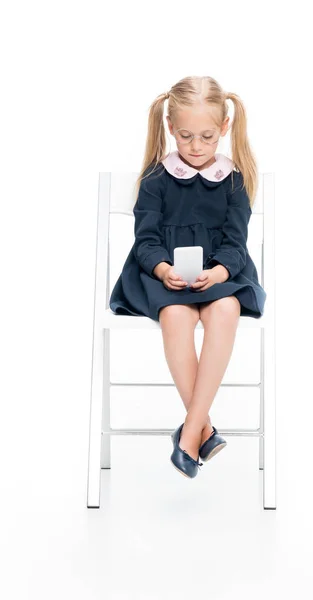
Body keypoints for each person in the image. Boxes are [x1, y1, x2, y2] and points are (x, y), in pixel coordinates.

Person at [109, 75, 267, 478]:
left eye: (207, 137)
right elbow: (145, 240)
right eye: (186, 136)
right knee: (177, 316)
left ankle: (188, 435)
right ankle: (203, 429)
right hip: (163, 279)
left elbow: (236, 240)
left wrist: (219, 271)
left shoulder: (233, 180)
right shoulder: (156, 180)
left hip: (221, 275)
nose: (196, 147)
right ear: (170, 128)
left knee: (226, 309)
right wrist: (163, 268)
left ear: (225, 129)